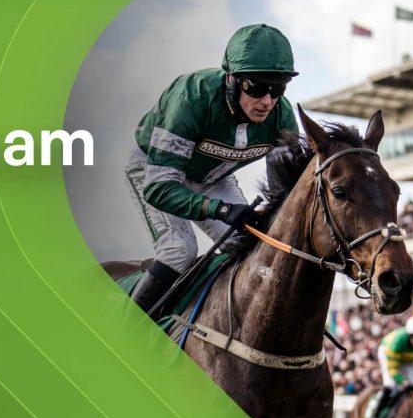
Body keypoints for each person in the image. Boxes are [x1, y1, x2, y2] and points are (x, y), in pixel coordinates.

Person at [125, 23, 299, 311]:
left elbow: (286, 192)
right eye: (256, 87)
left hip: (214, 178)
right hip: (157, 171)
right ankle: (126, 330)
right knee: (179, 250)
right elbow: (158, 188)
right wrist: (221, 209)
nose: (267, 101)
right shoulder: (191, 98)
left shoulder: (282, 116)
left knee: (252, 245)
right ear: (231, 79)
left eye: (278, 88)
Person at [367, 314, 413, 418]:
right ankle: (376, 415)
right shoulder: (397, 342)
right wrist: (401, 380)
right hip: (387, 352)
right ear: (409, 335)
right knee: (391, 385)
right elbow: (393, 369)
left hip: (408, 358)